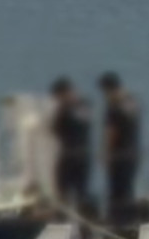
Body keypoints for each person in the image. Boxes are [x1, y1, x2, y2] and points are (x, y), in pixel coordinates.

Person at [99, 72, 141, 225]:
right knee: (128, 188)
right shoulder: (132, 102)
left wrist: (104, 154)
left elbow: (111, 133)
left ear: (109, 89)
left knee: (117, 191)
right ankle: (129, 219)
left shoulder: (114, 107)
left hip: (118, 155)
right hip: (132, 153)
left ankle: (118, 222)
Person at [48, 78, 92, 216]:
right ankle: (86, 220)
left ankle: (62, 219)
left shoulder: (64, 110)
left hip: (69, 155)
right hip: (84, 154)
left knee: (62, 189)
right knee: (82, 190)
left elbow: (54, 129)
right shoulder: (85, 106)